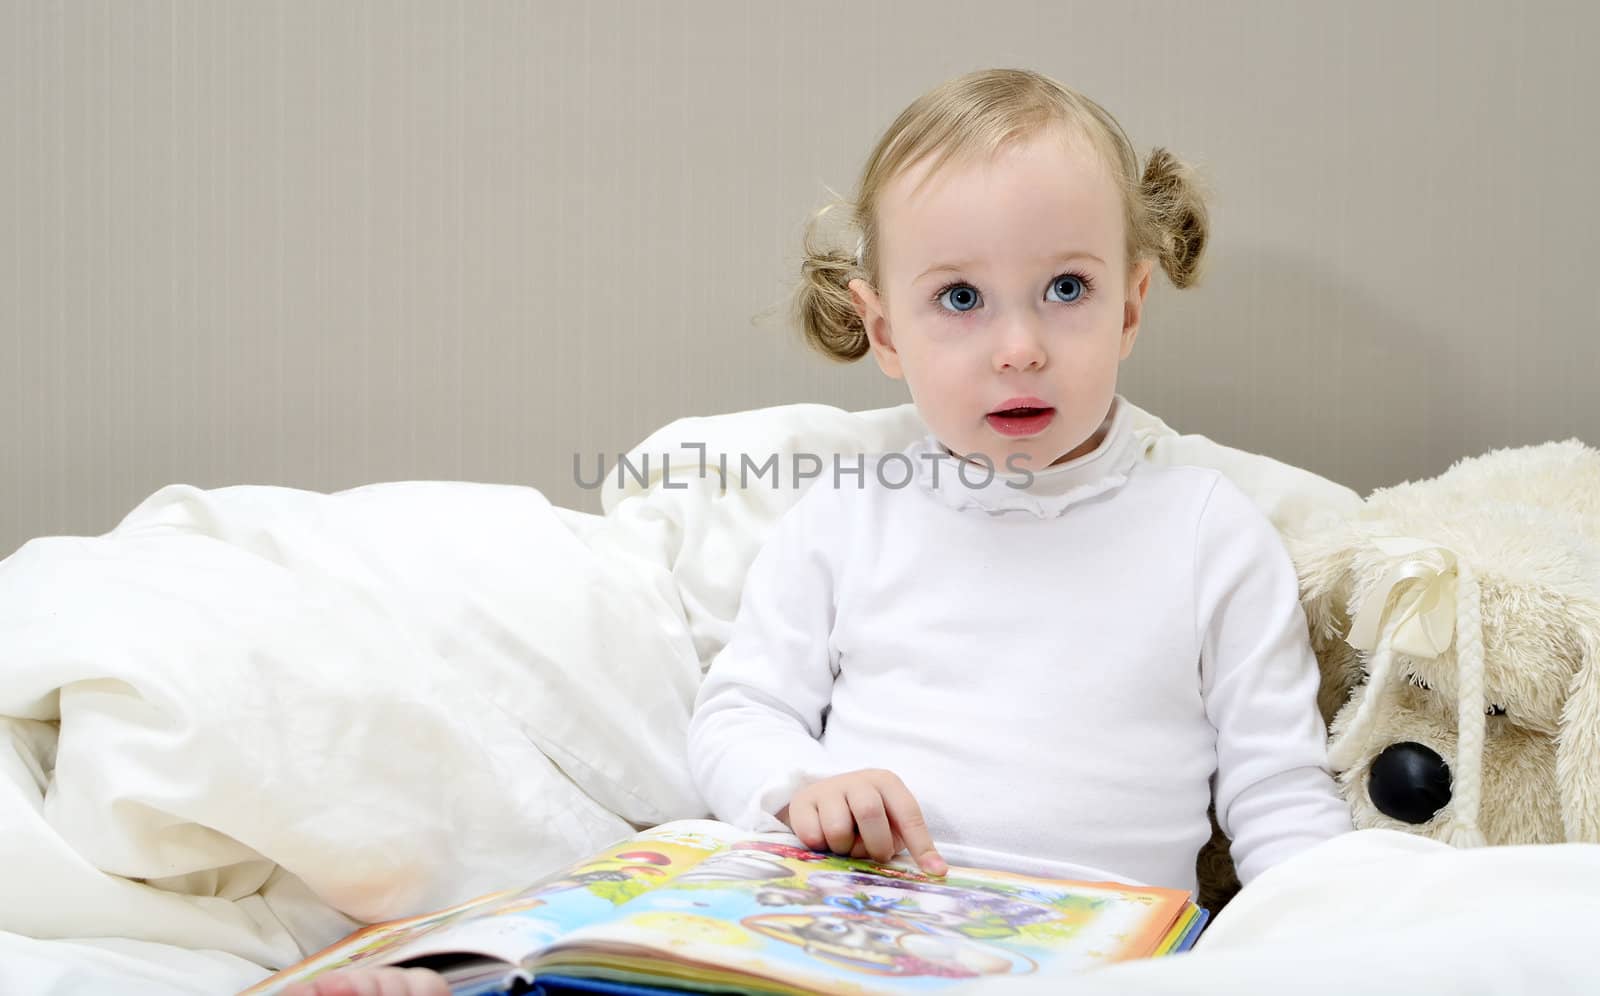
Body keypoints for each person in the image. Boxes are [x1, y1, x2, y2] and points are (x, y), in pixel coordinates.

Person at [282, 66, 1352, 996]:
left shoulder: (1209, 534)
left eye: (1064, 289)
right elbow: (740, 711)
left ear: (1128, 304)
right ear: (884, 329)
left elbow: (1280, 797)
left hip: (1084, 956)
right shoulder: (850, 513)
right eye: (960, 299)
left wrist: (1320, 949)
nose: (1019, 345)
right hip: (833, 934)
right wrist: (801, 786)